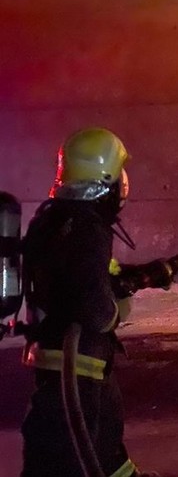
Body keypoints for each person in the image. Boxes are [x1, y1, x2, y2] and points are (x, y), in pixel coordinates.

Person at [20, 127, 160, 477]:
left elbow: (80, 277)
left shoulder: (52, 218)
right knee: (75, 463)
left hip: (63, 369)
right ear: (106, 179)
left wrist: (132, 277)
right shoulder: (88, 227)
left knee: (99, 454)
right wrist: (116, 309)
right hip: (79, 375)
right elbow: (95, 310)